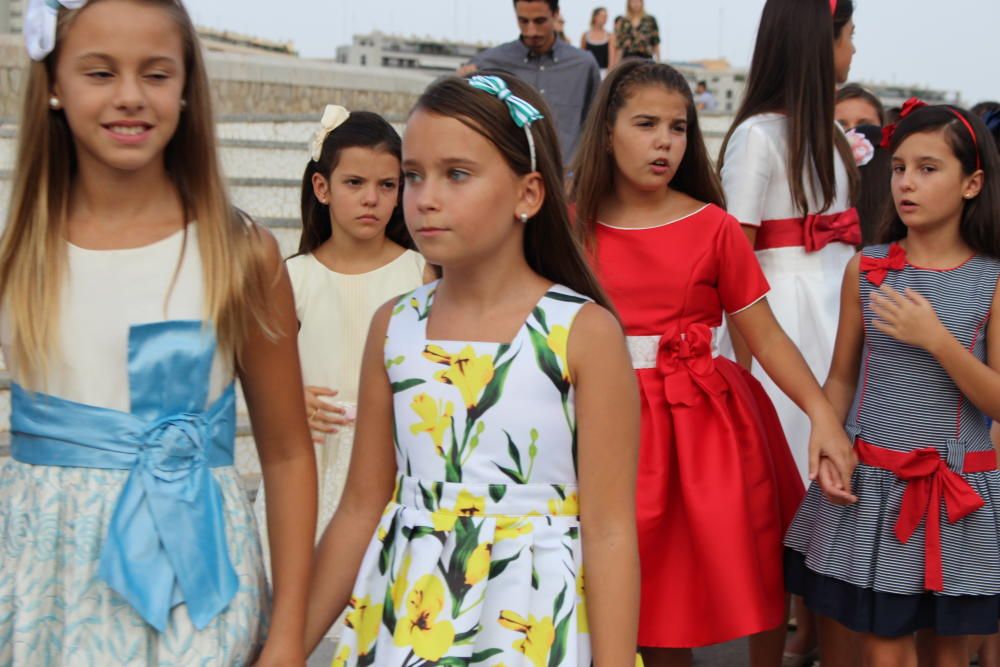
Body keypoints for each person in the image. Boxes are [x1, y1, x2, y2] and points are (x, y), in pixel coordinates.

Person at [0, 0, 317, 664]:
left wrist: (287, 635)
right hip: (39, 584)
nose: (129, 96)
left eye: (155, 73)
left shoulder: (240, 253)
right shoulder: (16, 251)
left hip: (193, 585)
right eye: (99, 72)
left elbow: (286, 453)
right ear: (54, 83)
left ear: (186, 88)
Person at [303, 72, 641, 665]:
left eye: (456, 174)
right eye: (413, 176)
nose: (424, 197)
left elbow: (611, 531)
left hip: (534, 628)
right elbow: (360, 507)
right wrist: (286, 647)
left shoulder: (583, 334)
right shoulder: (395, 326)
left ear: (528, 194)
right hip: (411, 622)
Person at [571, 59, 855, 667]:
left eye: (679, 128)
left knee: (682, 597)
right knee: (614, 597)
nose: (664, 142)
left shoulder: (715, 228)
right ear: (606, 130)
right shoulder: (569, 228)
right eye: (646, 124)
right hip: (598, 424)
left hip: (699, 430)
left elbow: (768, 336)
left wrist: (823, 417)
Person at [785, 102, 1000, 667]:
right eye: (899, 167)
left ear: (972, 183)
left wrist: (938, 340)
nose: (907, 182)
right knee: (883, 653)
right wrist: (825, 439)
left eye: (929, 169)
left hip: (959, 497)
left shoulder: (992, 279)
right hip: (876, 487)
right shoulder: (868, 269)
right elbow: (840, 378)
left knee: (948, 657)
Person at [717, 2, 860, 665]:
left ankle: (815, 638)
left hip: (839, 319)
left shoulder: (831, 134)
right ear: (819, 42)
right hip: (784, 327)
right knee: (777, 510)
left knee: (836, 503)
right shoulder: (757, 137)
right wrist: (741, 380)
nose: (854, 49)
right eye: (849, 34)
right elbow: (735, 261)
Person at [253, 107, 430, 583]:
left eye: (387, 185)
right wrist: (287, 403)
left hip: (397, 463)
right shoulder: (291, 277)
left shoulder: (422, 274)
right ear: (322, 188)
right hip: (316, 460)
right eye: (354, 183)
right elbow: (258, 377)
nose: (371, 199)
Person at [459, 0, 600, 165]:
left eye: (539, 21)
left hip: (567, 180)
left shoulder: (583, 66)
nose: (531, 31)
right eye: (523, 21)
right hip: (513, 178)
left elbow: (595, 127)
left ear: (555, 14)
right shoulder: (488, 64)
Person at [612, 0, 660, 66]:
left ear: (642, 2)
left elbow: (656, 42)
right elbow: (620, 46)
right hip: (628, 59)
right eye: (633, 1)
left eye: (638, 1)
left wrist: (658, 61)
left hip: (646, 58)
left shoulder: (650, 20)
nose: (636, 4)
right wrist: (615, 66)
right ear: (629, 4)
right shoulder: (624, 21)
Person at [580, 6, 612, 72]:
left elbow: (611, 59)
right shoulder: (585, 36)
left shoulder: (610, 36)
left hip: (604, 72)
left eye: (606, 16)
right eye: (602, 16)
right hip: (589, 71)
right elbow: (582, 56)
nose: (605, 19)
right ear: (595, 17)